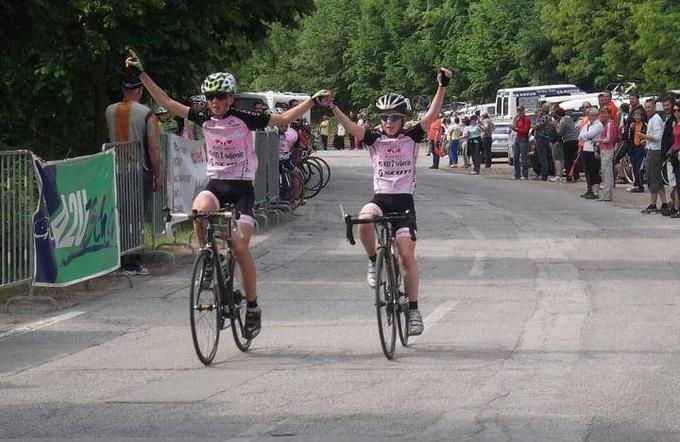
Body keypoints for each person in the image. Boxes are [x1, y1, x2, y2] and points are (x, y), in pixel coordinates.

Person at [125, 50, 328, 339]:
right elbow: (167, 103)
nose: (215, 103)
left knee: (241, 248)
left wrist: (311, 100)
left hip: (242, 188)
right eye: (210, 98)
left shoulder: (245, 118)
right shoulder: (203, 116)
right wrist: (142, 74)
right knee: (199, 210)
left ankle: (253, 306)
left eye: (220, 97)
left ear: (231, 98)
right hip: (217, 184)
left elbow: (282, 117)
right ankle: (209, 258)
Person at [326, 68, 453, 336]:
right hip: (381, 199)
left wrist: (442, 86)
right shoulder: (374, 138)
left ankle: (415, 310)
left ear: (402, 118)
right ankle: (374, 260)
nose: (388, 122)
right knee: (363, 220)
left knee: (406, 255)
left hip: (404, 203)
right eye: (384, 117)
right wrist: (333, 106)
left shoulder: (411, 136)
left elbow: (431, 115)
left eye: (393, 117)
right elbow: (350, 127)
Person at [105, 74, 163, 275]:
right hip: (140, 171)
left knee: (120, 214)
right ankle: (134, 261)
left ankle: (118, 260)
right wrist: (158, 173)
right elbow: (153, 148)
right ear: (139, 90)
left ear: (123, 90)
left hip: (116, 170)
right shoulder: (146, 113)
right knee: (137, 216)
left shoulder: (109, 111)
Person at [640, 98, 669, 214]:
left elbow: (658, 136)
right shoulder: (653, 119)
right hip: (652, 148)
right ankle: (664, 202)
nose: (648, 109)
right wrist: (646, 141)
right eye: (646, 107)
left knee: (652, 176)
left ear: (654, 107)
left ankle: (653, 203)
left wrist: (645, 137)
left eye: (650, 107)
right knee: (656, 176)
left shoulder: (655, 119)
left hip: (655, 151)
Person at [578, 107, 603, 199]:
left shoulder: (598, 125)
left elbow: (590, 135)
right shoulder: (587, 124)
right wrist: (585, 137)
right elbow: (581, 135)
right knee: (587, 170)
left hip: (594, 150)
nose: (590, 117)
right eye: (589, 115)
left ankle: (595, 191)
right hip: (586, 148)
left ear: (596, 116)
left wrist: (585, 136)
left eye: (592, 115)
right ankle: (590, 189)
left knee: (594, 170)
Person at [598, 107, 617, 201]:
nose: (602, 115)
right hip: (604, 149)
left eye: (604, 113)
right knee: (605, 171)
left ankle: (607, 194)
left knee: (607, 172)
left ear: (609, 114)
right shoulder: (607, 124)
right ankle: (606, 194)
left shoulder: (609, 124)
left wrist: (599, 140)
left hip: (607, 149)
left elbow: (609, 139)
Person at [626, 109, 647, 193]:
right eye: (635, 115)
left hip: (640, 147)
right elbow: (628, 136)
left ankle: (640, 184)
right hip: (633, 147)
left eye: (639, 115)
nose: (637, 116)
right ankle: (636, 183)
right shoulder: (632, 125)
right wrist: (630, 129)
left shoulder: (644, 125)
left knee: (639, 166)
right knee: (634, 166)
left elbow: (646, 135)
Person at [510, 106, 531, 180]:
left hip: (523, 139)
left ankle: (525, 174)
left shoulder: (527, 119)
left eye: (520, 110)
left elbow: (525, 130)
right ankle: (517, 174)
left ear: (523, 111)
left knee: (523, 157)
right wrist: (515, 121)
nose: (519, 112)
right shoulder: (518, 119)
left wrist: (516, 129)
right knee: (515, 157)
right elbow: (514, 127)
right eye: (518, 110)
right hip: (518, 138)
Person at [533, 104, 553, 181]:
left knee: (542, 157)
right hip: (546, 138)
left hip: (541, 138)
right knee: (545, 157)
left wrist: (537, 119)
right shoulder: (550, 117)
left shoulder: (545, 117)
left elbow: (536, 126)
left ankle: (544, 175)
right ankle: (544, 173)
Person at [668, 103, 680, 217]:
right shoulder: (674, 123)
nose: (676, 112)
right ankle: (676, 208)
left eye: (678, 110)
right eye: (675, 110)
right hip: (675, 154)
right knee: (676, 182)